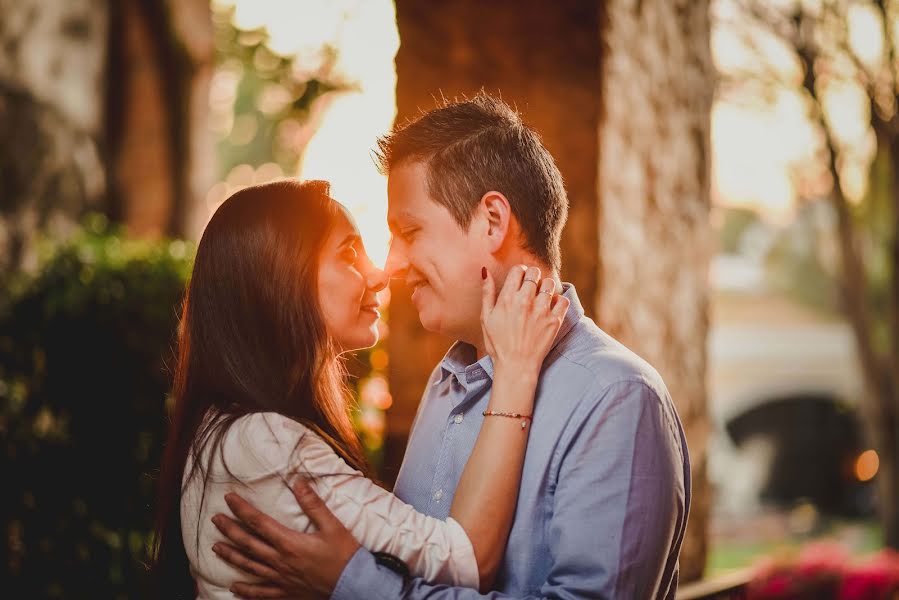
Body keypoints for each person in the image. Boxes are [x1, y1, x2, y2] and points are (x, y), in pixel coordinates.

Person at [211, 94, 692, 599]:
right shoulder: (450, 382)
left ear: (492, 221)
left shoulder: (615, 398)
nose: (392, 265)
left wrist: (352, 584)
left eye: (410, 232)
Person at [149, 178, 570, 598]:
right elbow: (467, 559)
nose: (380, 274)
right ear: (278, 277)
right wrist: (514, 374)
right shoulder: (264, 442)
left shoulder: (232, 430)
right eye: (349, 253)